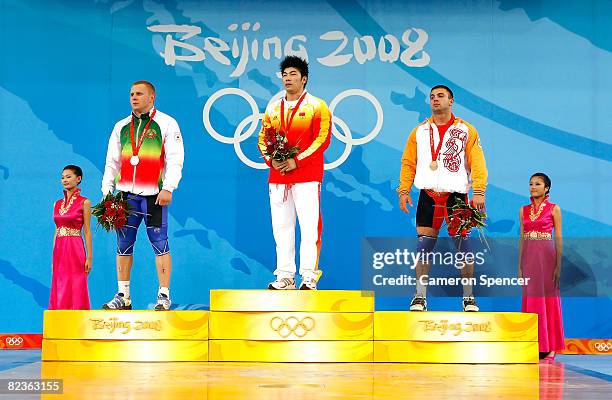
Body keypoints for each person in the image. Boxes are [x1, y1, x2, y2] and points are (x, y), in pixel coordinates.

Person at [398, 85, 488, 312]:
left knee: (464, 246)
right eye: (432, 97)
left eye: (440, 96)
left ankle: (469, 297)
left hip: (456, 196)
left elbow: (477, 162)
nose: (435, 100)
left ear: (451, 101)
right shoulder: (419, 131)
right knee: (423, 245)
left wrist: (479, 191)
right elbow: (409, 162)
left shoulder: (466, 130)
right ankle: (419, 297)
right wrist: (403, 190)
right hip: (428, 196)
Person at [101, 80, 184, 310]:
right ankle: (123, 295)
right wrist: (108, 192)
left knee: (160, 244)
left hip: (155, 196)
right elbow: (112, 161)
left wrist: (169, 187)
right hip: (126, 197)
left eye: (139, 93)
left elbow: (175, 158)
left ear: (152, 97)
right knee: (123, 244)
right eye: (131, 94)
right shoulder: (121, 126)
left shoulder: (166, 123)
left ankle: (164, 294)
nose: (134, 97)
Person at [257, 56, 332, 290]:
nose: (288, 78)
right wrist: (274, 161)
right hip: (278, 177)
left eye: (293, 74)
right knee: (281, 228)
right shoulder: (273, 108)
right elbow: (263, 138)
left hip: (307, 177)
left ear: (304, 78)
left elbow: (323, 139)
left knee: (310, 227)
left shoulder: (317, 106)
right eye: (285, 74)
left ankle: (309, 276)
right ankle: (285, 276)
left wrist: (295, 161)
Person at [519, 173, 564, 359]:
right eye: (531, 183)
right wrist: (520, 265)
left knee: (549, 299)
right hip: (529, 257)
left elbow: (559, 237)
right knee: (531, 298)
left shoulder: (554, 209)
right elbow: (521, 238)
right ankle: (533, 343)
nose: (533, 187)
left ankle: (551, 346)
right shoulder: (523, 210)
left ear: (546, 189)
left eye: (538, 184)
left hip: (547, 257)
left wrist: (558, 265)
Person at [49, 165, 92, 310]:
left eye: (68, 176)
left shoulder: (84, 202)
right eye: (62, 177)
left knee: (76, 282)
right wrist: (53, 254)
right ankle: (59, 322)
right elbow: (56, 230)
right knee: (59, 282)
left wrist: (89, 257)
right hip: (59, 249)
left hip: (75, 247)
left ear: (78, 179)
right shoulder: (57, 204)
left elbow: (87, 231)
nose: (64, 180)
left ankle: (78, 323)